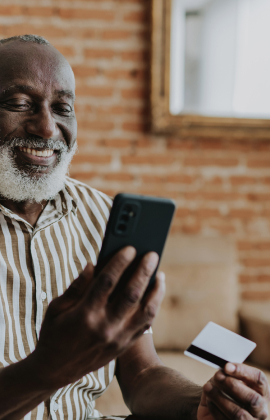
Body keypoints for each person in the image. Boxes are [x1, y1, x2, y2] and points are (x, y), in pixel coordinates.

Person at [0, 34, 269, 420]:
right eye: (19, 103)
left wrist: (201, 403)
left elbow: (142, 374)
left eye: (63, 108)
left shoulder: (100, 215)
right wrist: (50, 368)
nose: (46, 127)